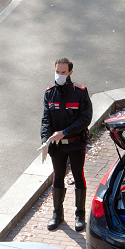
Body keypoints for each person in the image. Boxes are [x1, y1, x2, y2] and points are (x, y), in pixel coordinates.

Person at [40, 58, 92, 231]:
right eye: (57, 71)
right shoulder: (50, 93)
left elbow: (85, 119)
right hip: (57, 146)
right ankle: (57, 213)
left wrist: (65, 132)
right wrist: (44, 141)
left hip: (76, 143)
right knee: (58, 176)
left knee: (78, 176)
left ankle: (80, 214)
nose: (59, 75)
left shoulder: (80, 92)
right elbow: (46, 120)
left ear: (70, 72)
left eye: (63, 72)